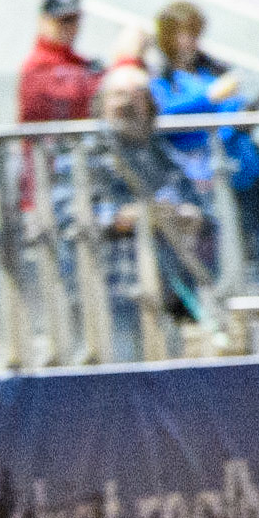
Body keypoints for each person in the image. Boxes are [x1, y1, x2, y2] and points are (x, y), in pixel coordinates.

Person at [54, 66, 208, 361]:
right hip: (110, 290)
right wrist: (128, 217)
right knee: (118, 383)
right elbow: (68, 213)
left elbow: (194, 201)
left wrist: (189, 215)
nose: (127, 103)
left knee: (174, 383)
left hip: (170, 290)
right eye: (118, 95)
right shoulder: (83, 152)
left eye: (138, 95)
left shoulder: (161, 151)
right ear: (101, 104)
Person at [150, 0, 259, 256]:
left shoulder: (211, 70)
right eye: (183, 33)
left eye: (194, 33)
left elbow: (234, 109)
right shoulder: (162, 81)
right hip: (206, 178)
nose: (191, 41)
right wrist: (209, 98)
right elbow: (167, 120)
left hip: (246, 167)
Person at [19, 0, 102, 124]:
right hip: (45, 143)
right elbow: (70, 98)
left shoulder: (81, 62)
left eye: (73, 19)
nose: (69, 26)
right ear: (43, 21)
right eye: (62, 20)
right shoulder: (36, 64)